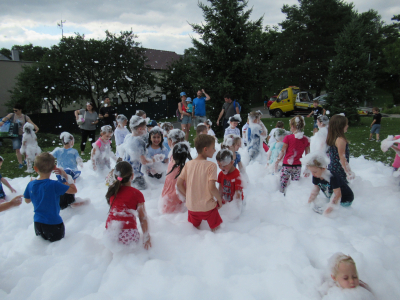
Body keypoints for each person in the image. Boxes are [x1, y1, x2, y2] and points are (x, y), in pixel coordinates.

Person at [24, 153, 77, 242]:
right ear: (54, 167)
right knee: (58, 249)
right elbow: (73, 190)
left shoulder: (31, 184)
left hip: (38, 224)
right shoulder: (54, 185)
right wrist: (65, 175)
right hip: (54, 224)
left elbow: (27, 200)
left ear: (35, 168)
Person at [177, 135, 223, 232]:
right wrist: (219, 199)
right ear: (205, 149)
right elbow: (212, 187)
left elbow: (179, 184)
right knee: (217, 231)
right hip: (208, 208)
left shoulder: (188, 164)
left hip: (192, 208)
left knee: (194, 231)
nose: (215, 150)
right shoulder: (211, 166)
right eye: (213, 148)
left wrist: (187, 196)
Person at [105, 161, 151, 248]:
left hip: (110, 234)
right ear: (132, 176)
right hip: (128, 235)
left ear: (116, 177)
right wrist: (146, 237)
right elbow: (142, 217)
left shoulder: (112, 191)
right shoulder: (137, 194)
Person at [118, 116, 162, 190]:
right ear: (140, 129)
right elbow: (144, 161)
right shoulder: (139, 142)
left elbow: (123, 155)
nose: (146, 130)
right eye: (145, 128)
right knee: (144, 191)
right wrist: (156, 159)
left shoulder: (128, 137)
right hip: (135, 175)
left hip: (125, 172)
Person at [275, 116, 310, 194]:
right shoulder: (306, 139)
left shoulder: (288, 138)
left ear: (293, 126)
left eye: (290, 126)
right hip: (297, 166)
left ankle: (282, 196)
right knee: (295, 185)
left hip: (287, 165)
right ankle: (292, 198)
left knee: (283, 185)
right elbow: (308, 155)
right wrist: (307, 168)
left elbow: (282, 151)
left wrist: (277, 161)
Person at [0, 103, 39, 169]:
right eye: (14, 110)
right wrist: (2, 122)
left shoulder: (25, 117)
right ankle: (20, 163)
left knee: (25, 148)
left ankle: (25, 160)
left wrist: (36, 127)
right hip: (14, 134)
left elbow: (30, 122)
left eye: (16, 110)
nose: (15, 112)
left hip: (24, 135)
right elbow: (6, 118)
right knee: (17, 149)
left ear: (20, 110)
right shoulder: (12, 115)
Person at [160, 139, 191, 214]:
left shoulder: (171, 162)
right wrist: (189, 198)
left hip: (165, 199)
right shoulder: (182, 170)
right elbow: (179, 186)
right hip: (175, 200)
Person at [327, 114, 354, 183]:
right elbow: (342, 157)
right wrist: (348, 171)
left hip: (333, 168)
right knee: (343, 190)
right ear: (340, 127)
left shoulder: (333, 138)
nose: (347, 126)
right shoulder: (341, 140)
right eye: (346, 124)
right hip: (339, 170)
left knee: (336, 189)